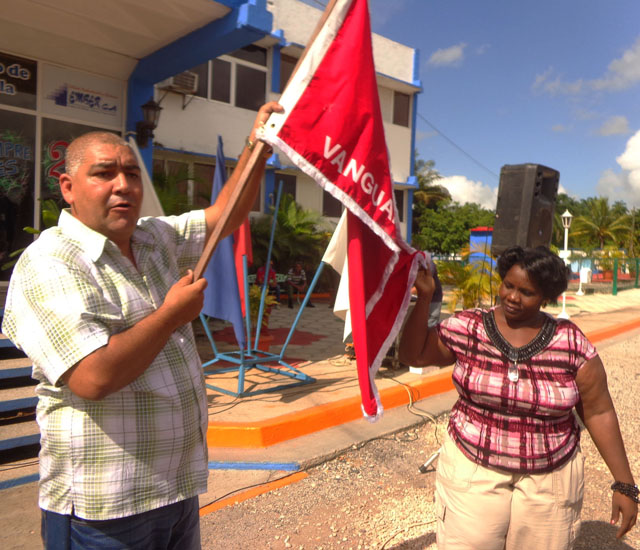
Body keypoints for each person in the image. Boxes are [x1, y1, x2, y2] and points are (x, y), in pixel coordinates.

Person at [1, 101, 284, 550]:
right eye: (104, 173)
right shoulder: (51, 262)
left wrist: (259, 146)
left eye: (132, 174)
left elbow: (224, 216)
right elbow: (93, 376)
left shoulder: (152, 238)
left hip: (176, 490)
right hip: (106, 510)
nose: (123, 185)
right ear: (68, 187)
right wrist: (172, 314)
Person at [399, 246, 637, 550]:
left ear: (546, 298)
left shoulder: (571, 342)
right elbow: (413, 354)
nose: (512, 297)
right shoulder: (469, 327)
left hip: (550, 477)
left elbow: (599, 412)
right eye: (508, 285)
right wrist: (425, 299)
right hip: (473, 466)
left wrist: (625, 485)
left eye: (526, 292)